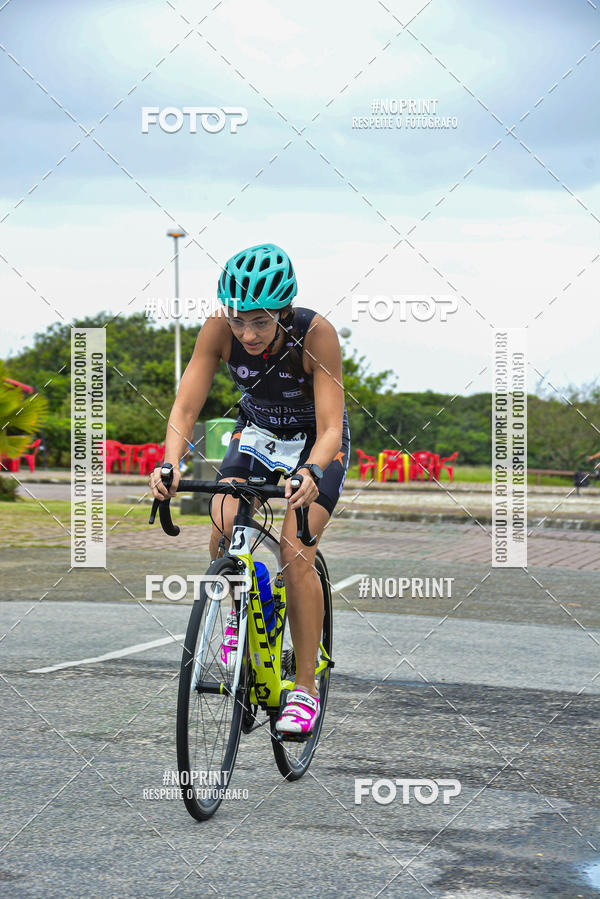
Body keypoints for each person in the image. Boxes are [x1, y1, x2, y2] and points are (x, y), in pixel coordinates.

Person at [149, 243, 350, 735]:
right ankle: (242, 608)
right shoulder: (219, 329)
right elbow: (184, 408)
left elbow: (329, 427)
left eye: (260, 321)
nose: (247, 333)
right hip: (257, 434)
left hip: (315, 444)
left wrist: (310, 472)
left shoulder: (316, 334)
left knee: (293, 550)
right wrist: (170, 462)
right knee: (222, 522)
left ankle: (304, 688)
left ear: (283, 310)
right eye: (239, 321)